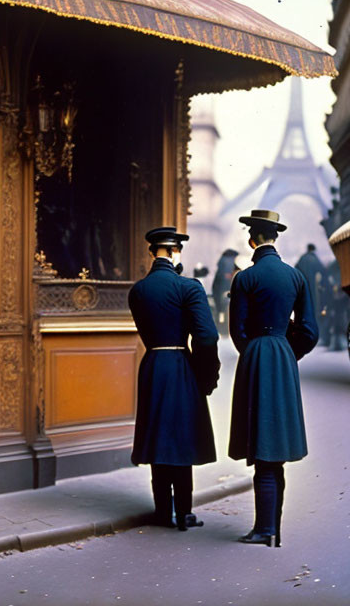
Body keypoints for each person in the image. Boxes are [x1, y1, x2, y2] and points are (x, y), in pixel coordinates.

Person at [228, 210, 318, 547]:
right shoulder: (295, 277)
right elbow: (310, 331)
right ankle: (272, 529)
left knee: (261, 444)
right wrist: (286, 350)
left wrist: (254, 352)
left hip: (256, 357)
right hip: (283, 355)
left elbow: (237, 331)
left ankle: (264, 529)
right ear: (275, 239)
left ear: (252, 239)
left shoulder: (244, 279)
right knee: (275, 445)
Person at [129, 226, 221, 531]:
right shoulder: (189, 288)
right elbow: (207, 336)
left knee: (159, 437)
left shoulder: (138, 291)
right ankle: (184, 512)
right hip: (181, 364)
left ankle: (161, 512)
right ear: (176, 251)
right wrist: (207, 376)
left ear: (152, 251)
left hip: (153, 364)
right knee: (182, 438)